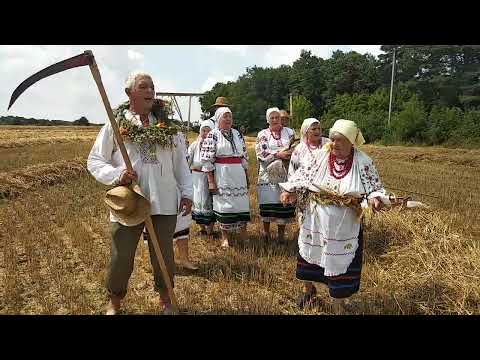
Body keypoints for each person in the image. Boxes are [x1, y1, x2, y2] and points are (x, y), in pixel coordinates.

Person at [87, 71, 193, 315]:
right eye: (143, 87)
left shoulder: (170, 129)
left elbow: (181, 165)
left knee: (163, 255)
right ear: (129, 93)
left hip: (164, 198)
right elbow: (95, 161)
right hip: (130, 199)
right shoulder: (116, 125)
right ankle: (114, 302)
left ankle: (166, 299)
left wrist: (187, 193)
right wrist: (117, 175)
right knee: (121, 255)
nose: (150, 91)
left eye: (152, 86)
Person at [279, 119, 390, 313]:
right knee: (310, 255)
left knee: (342, 263)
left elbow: (374, 188)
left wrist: (376, 200)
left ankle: (338, 303)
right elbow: (302, 176)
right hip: (316, 220)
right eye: (332, 139)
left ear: (351, 142)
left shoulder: (363, 161)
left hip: (345, 225)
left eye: (339, 140)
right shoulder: (321, 156)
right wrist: (290, 190)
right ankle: (308, 291)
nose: (334, 144)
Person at [200, 107, 251, 249]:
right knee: (224, 205)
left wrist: (246, 176)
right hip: (222, 174)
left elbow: (244, 156)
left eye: (230, 116)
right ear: (218, 119)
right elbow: (206, 160)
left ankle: (243, 234)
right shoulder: (213, 135)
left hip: (238, 173)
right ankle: (224, 237)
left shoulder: (237, 134)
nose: (228, 119)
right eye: (225, 117)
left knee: (241, 203)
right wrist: (211, 181)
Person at [255, 107, 296, 243]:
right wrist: (279, 154)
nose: (274, 120)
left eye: (277, 117)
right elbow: (261, 153)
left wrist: (287, 154)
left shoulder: (289, 132)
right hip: (268, 172)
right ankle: (265, 233)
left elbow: (294, 148)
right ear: (268, 120)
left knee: (282, 202)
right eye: (271, 118)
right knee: (268, 202)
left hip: (285, 171)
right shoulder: (263, 134)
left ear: (280, 119)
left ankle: (281, 235)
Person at [188, 119, 216, 237]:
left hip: (208, 176)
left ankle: (210, 230)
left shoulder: (214, 144)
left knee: (208, 201)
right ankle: (202, 228)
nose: (205, 133)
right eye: (203, 130)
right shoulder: (194, 144)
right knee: (197, 201)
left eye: (208, 131)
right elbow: (188, 159)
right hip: (196, 177)